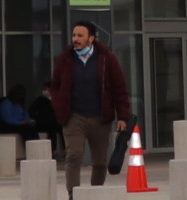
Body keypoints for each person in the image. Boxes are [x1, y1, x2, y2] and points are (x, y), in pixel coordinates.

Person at [42, 20, 130, 188]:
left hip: (100, 118)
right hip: (74, 117)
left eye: (80, 36)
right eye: (74, 35)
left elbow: (119, 88)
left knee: (100, 162)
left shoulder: (107, 59)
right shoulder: (65, 59)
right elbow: (55, 86)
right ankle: (74, 197)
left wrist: (122, 116)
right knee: (74, 156)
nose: (75, 39)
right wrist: (59, 106)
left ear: (91, 38)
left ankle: (94, 195)